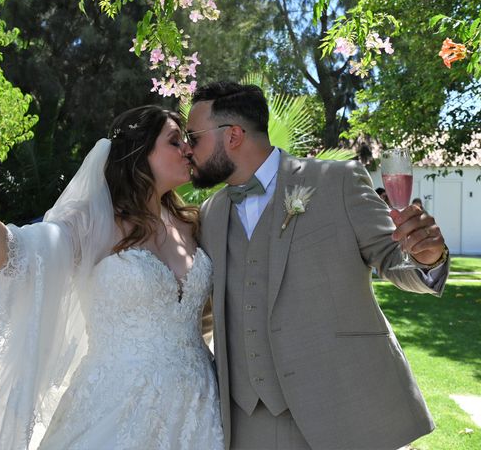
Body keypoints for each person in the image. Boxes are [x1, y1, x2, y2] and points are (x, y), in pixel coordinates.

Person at [0, 105, 224, 449]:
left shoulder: (194, 222)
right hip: (118, 407)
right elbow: (15, 253)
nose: (187, 149)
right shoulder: (94, 223)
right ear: (139, 154)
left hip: (199, 406)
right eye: (174, 141)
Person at [185, 81, 450, 450]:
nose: (186, 148)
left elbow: (393, 259)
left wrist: (428, 257)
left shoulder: (336, 182)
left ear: (232, 136)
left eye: (192, 136)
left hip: (339, 408)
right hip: (246, 424)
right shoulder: (210, 214)